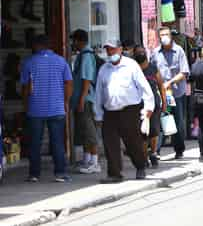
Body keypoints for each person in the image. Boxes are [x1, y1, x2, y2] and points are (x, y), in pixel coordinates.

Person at [94, 40, 154, 183]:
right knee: (110, 143)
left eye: (113, 49)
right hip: (110, 112)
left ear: (120, 49)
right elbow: (99, 94)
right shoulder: (104, 69)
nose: (110, 53)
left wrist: (148, 108)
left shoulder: (131, 66)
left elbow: (144, 88)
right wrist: (98, 114)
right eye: (108, 50)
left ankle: (140, 166)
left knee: (133, 143)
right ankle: (114, 173)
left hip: (130, 111)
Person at [21, 35, 73, 183]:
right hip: (57, 108)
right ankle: (60, 173)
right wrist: (65, 102)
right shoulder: (61, 61)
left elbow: (25, 87)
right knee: (57, 142)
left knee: (35, 143)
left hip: (35, 109)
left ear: (37, 46)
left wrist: (26, 105)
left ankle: (34, 174)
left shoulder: (29, 62)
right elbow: (69, 83)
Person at [151, 26, 190, 160]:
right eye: (161, 35)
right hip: (161, 94)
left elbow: (184, 72)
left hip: (176, 93)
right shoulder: (155, 53)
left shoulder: (179, 51)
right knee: (161, 120)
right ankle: (156, 151)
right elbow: (152, 71)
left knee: (178, 122)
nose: (164, 37)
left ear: (171, 36)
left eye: (166, 34)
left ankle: (179, 149)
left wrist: (170, 82)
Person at [70, 29, 100, 174]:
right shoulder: (82, 55)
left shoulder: (86, 56)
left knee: (89, 131)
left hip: (86, 99)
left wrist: (82, 99)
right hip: (82, 99)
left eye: (74, 40)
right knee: (83, 130)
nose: (72, 43)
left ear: (79, 41)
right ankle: (87, 160)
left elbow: (86, 79)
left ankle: (94, 162)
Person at [134, 47, 167, 168]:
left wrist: (164, 103)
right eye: (138, 52)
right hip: (138, 105)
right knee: (142, 133)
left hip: (154, 105)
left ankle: (153, 153)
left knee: (153, 131)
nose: (140, 53)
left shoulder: (153, 68)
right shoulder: (133, 69)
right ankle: (143, 157)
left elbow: (161, 86)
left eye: (142, 51)